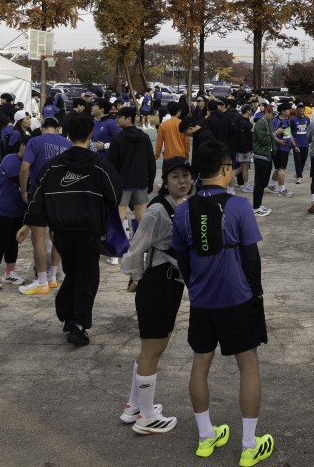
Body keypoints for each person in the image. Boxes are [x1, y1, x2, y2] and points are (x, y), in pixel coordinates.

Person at [171, 142, 273, 465]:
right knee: (249, 366)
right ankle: (248, 445)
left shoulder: (183, 210)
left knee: (200, 364)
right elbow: (251, 256)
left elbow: (182, 258)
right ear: (226, 169)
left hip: (202, 301)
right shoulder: (239, 206)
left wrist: (194, 287)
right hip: (237, 298)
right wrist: (256, 291)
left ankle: (206, 437)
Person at [20, 115, 122, 346]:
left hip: (62, 232)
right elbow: (115, 194)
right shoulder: (100, 165)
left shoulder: (52, 166)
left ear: (68, 135)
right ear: (90, 135)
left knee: (74, 272)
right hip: (89, 230)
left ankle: (68, 315)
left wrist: (29, 222)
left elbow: (36, 196)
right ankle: (78, 325)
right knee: (87, 276)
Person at [119, 156, 193, 435]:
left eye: (186, 175)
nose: (182, 181)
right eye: (175, 176)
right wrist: (137, 277)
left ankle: (134, 406)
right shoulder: (157, 210)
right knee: (152, 351)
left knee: (151, 350)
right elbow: (135, 249)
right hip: (158, 285)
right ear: (165, 181)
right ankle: (147, 417)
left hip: (170, 285)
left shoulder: (181, 205)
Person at [17, 118, 72, 295]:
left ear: (42, 129)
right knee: (57, 236)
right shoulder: (67, 143)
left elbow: (25, 167)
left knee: (38, 238)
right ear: (58, 128)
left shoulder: (34, 141)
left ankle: (41, 281)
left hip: (39, 193)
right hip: (61, 195)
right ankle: (53, 276)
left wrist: (24, 191)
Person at [0, 133, 28, 291]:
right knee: (1, 244)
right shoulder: (11, 159)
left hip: (17, 211)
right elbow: (21, 180)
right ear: (22, 146)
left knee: (13, 243)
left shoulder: (26, 163)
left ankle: (9, 273)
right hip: (1, 210)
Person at [109, 106, 157, 236]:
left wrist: (112, 185)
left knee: (119, 215)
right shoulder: (144, 137)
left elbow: (112, 166)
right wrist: (150, 181)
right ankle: (143, 243)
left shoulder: (117, 139)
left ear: (128, 119)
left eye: (119, 117)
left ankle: (118, 244)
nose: (116, 119)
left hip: (122, 184)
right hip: (141, 182)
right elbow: (151, 162)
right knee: (141, 215)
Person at [251, 105, 277, 217]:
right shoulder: (260, 124)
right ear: (267, 112)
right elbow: (264, 140)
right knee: (259, 182)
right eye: (273, 114)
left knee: (264, 182)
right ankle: (256, 207)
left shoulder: (268, 123)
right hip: (260, 155)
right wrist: (274, 134)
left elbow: (269, 138)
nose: (273, 116)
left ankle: (259, 204)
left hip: (267, 155)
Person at [290, 105, 311, 184]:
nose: (301, 109)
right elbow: (290, 131)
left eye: (302, 108)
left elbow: (309, 130)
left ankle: (298, 173)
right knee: (297, 160)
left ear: (304, 109)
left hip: (305, 143)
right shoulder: (293, 119)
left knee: (303, 160)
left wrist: (309, 140)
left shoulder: (307, 119)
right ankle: (299, 176)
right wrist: (293, 144)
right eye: (299, 108)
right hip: (296, 143)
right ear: (297, 110)